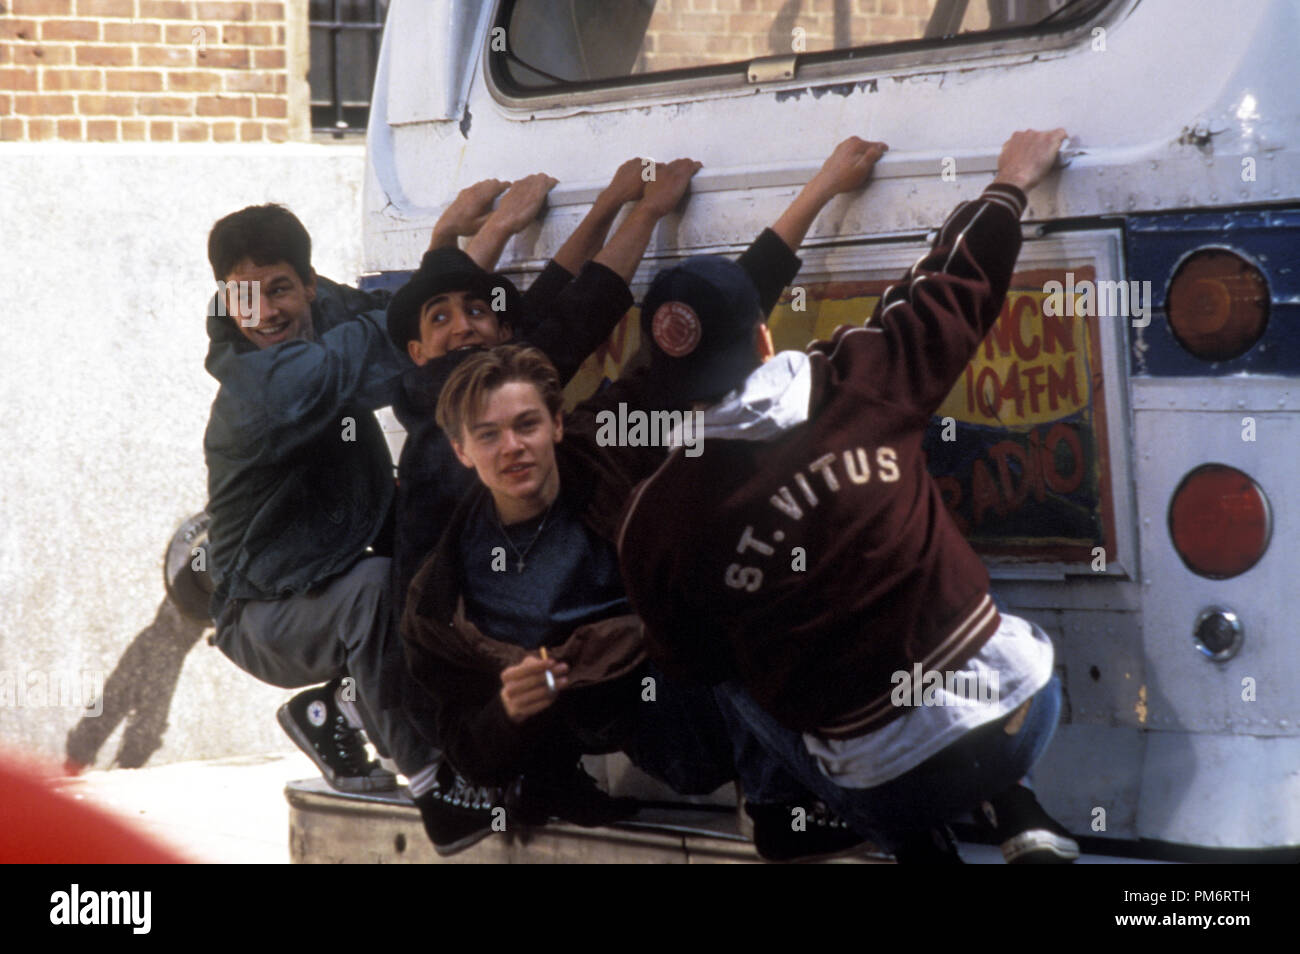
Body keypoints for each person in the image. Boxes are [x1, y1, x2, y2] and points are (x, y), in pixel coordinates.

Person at [401, 139, 898, 861]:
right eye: (490, 435)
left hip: (703, 680)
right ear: (461, 451)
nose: (514, 448)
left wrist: (821, 187)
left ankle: (797, 800)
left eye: (527, 426)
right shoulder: (442, 594)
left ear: (555, 423)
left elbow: (694, 335)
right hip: (653, 731)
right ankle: (841, 814)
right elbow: (466, 750)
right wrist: (509, 714)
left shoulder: (596, 452)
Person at [616, 128, 1082, 864]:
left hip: (887, 786)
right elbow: (957, 283)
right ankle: (1018, 808)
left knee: (736, 680)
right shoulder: (862, 376)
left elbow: (691, 664)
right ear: (764, 342)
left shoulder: (654, 522)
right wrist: (1010, 183)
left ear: (663, 383)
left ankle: (902, 846)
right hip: (1025, 720)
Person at [200, 184, 548, 831]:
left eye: (279, 289)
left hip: (329, 557)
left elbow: (414, 324)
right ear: (227, 298)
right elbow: (402, 339)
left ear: (310, 284)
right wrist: (476, 238)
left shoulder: (326, 307)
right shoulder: (260, 386)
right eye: (244, 297)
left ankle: (339, 709)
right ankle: (432, 783)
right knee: (372, 596)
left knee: (438, 569)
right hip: (263, 612)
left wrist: (445, 247)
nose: (265, 313)